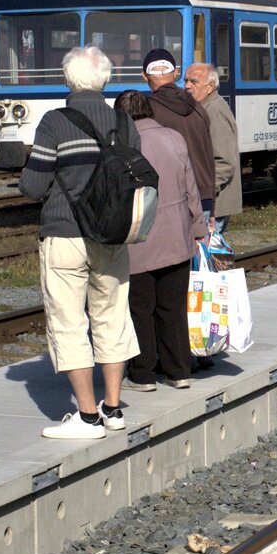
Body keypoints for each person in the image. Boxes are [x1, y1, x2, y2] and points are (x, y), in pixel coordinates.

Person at [20, 46, 140, 440]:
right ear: (105, 79)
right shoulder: (124, 123)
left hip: (65, 233)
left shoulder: (55, 122)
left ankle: (86, 417)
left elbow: (32, 186)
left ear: (68, 80)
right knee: (112, 315)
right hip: (113, 235)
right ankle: (113, 407)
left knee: (69, 321)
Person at [113, 90, 203, 392]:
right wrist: (198, 227)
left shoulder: (121, 145)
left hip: (138, 239)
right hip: (176, 236)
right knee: (173, 307)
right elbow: (190, 187)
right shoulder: (174, 138)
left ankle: (143, 374)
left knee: (140, 308)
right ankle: (179, 371)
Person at [142, 49, 216, 225]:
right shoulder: (199, 109)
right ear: (176, 73)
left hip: (171, 201)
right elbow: (209, 158)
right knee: (200, 251)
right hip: (203, 196)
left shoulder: (146, 111)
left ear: (144, 76)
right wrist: (212, 205)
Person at [184, 63, 242, 233]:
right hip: (210, 200)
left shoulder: (215, 111)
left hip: (214, 204)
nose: (187, 85)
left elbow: (225, 161)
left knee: (207, 253)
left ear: (210, 86)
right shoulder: (204, 108)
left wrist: (204, 192)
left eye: (193, 81)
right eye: (186, 80)